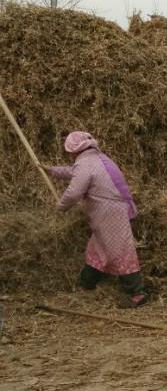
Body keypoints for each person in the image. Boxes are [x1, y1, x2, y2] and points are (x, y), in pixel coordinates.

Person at [44, 131, 147, 308]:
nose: (70, 154)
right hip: (112, 212)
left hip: (110, 214)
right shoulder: (96, 158)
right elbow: (73, 172)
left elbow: (74, 191)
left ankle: (137, 293)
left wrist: (60, 206)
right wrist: (52, 170)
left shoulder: (86, 164)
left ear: (75, 150)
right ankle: (86, 285)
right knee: (98, 248)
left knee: (119, 251)